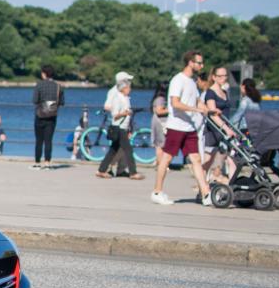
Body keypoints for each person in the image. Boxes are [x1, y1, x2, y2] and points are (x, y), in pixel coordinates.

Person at [152, 50, 209, 206]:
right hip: (176, 126)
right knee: (167, 158)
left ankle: (205, 193)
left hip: (189, 127)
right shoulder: (178, 80)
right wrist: (195, 110)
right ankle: (157, 191)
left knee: (196, 159)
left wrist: (207, 109)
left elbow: (197, 101)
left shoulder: (192, 81)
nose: (201, 65)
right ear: (190, 63)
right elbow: (175, 103)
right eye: (199, 62)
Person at [96, 71, 143, 180]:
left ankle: (101, 170)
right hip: (119, 127)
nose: (130, 88)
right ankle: (133, 172)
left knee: (113, 149)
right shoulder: (117, 96)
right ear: (123, 87)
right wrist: (125, 113)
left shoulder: (125, 97)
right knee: (128, 149)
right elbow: (114, 114)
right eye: (128, 86)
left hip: (123, 127)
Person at [201, 65, 235, 184]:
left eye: (225, 75)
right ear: (214, 77)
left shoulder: (225, 92)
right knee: (208, 160)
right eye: (220, 76)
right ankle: (202, 187)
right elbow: (213, 114)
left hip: (225, 130)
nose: (223, 78)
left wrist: (229, 127)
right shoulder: (210, 93)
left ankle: (232, 186)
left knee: (232, 159)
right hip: (214, 130)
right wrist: (225, 128)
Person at [31, 64, 63, 168]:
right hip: (52, 116)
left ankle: (37, 162)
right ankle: (47, 162)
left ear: (44, 74)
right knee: (48, 140)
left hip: (40, 115)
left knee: (39, 140)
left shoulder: (39, 85)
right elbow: (61, 102)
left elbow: (35, 101)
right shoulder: (58, 86)